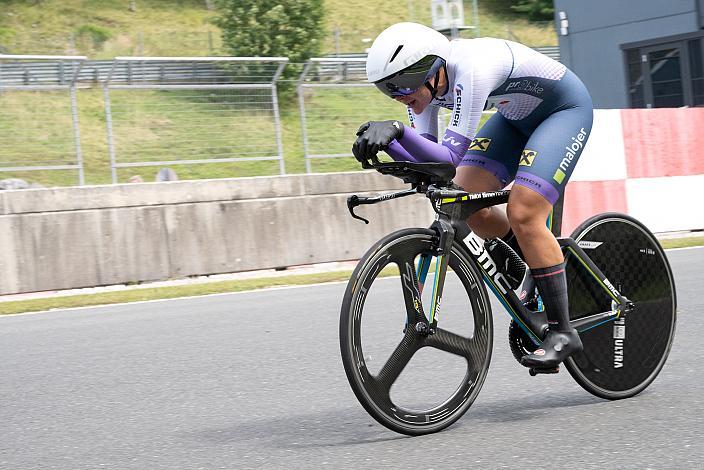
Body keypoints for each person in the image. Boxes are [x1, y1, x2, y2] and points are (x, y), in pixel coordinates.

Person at [352, 22, 594, 369]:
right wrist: (389, 147)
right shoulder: (422, 92)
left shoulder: (472, 68)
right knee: (464, 199)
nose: (399, 95)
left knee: (523, 213)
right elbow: (431, 165)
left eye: (403, 84)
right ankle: (527, 262)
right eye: (388, 90)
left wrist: (397, 132)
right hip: (514, 118)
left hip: (563, 112)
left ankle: (563, 332)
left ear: (433, 69)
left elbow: (447, 159)